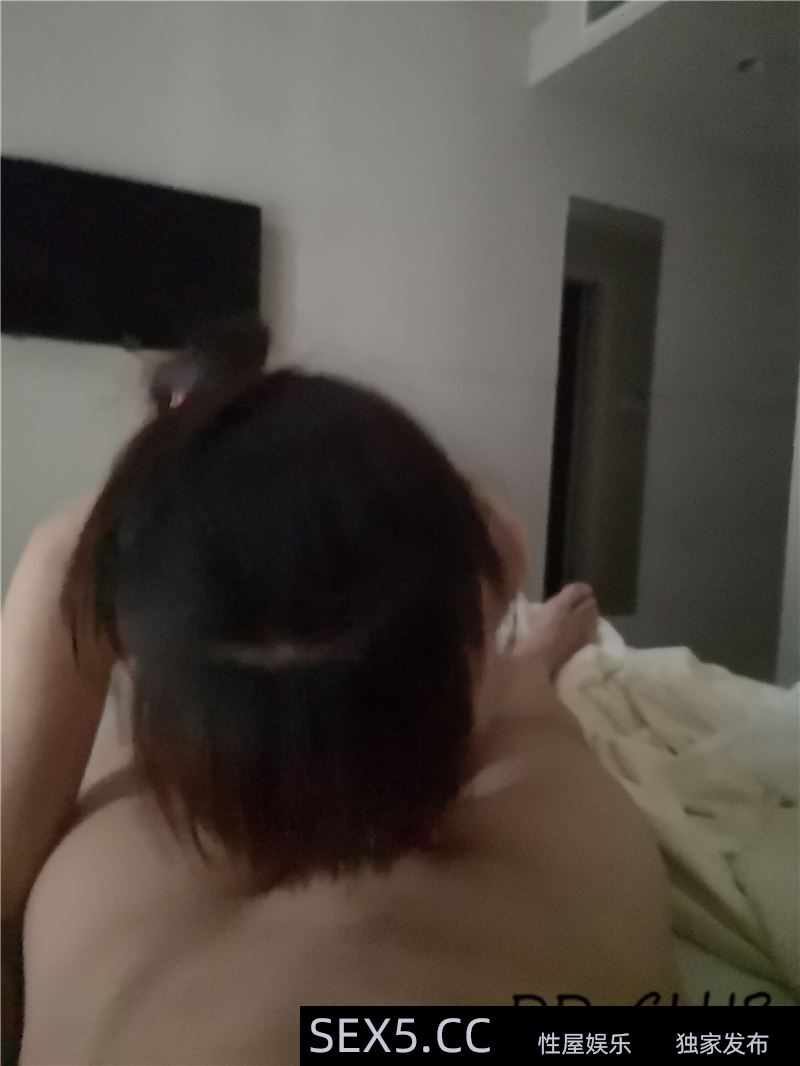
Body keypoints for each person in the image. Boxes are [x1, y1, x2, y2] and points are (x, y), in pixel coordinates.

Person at [2, 367, 676, 1065]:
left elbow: (66, 565)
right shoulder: (577, 880)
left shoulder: (95, 884)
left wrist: (195, 481)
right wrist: (518, 629)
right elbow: (514, 692)